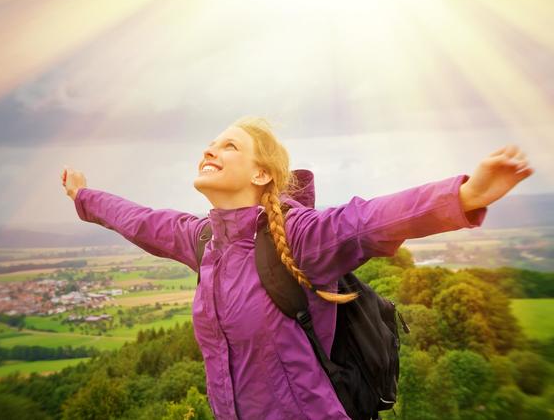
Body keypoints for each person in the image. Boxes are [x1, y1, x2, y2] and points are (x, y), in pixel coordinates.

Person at [61, 116, 534, 420]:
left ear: (261, 173)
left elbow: (368, 220)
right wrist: (85, 197)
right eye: (209, 144)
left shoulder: (303, 237)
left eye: (228, 146)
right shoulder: (204, 241)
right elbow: (141, 222)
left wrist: (465, 195)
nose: (210, 150)